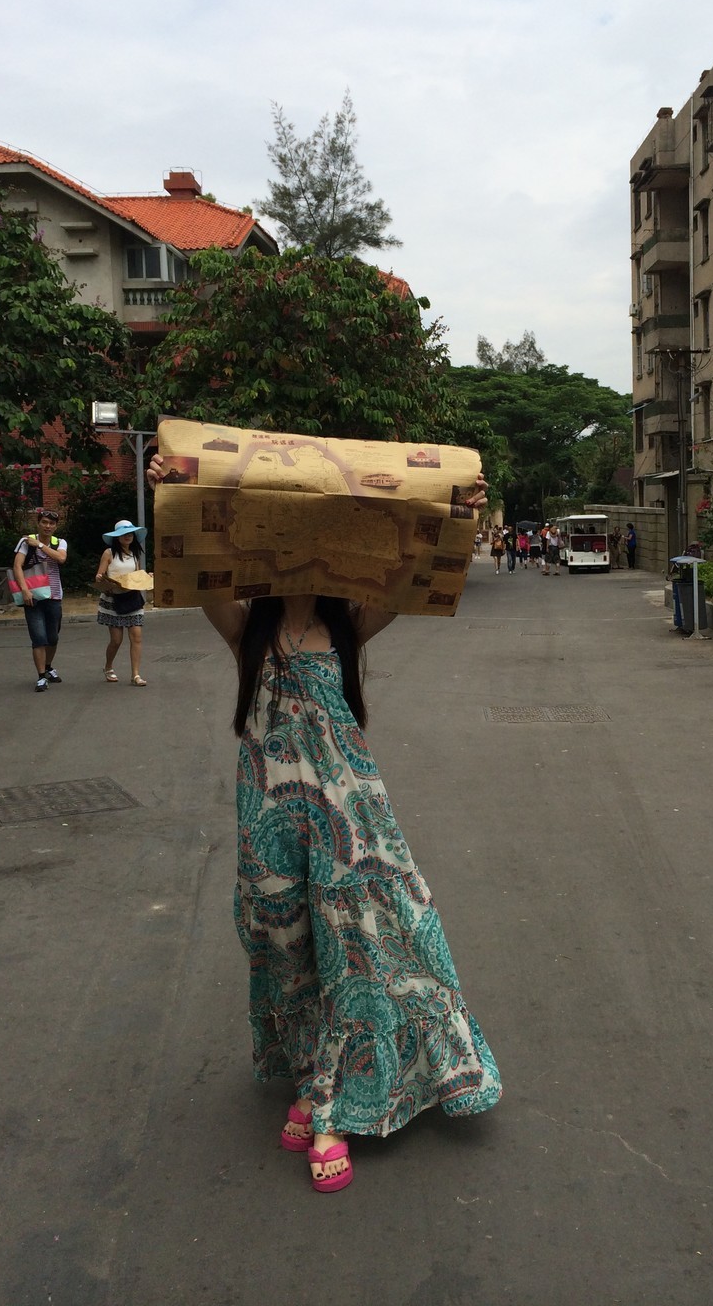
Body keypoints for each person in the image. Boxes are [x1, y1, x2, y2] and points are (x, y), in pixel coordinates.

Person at [145, 454, 502, 1193]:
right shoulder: (245, 626)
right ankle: (311, 1078)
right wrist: (168, 496)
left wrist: (459, 514)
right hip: (268, 806)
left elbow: (415, 574)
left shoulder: (351, 626)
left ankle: (335, 1104)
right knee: (283, 941)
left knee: (356, 940)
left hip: (349, 811)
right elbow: (191, 562)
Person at [12, 507, 68, 693]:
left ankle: (49, 666)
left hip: (54, 596)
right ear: (38, 523)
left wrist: (41, 546)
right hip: (33, 596)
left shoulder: (59, 542)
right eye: (44, 522)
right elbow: (17, 566)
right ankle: (41, 676)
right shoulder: (26, 541)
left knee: (53, 637)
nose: (47, 526)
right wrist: (25, 590)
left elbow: (61, 559)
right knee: (38, 638)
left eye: (51, 523)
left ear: (55, 526)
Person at [95, 519, 149, 686]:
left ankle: (136, 675)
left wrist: (147, 577)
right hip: (113, 599)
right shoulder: (108, 553)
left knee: (137, 637)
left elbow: (137, 575)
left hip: (132, 598)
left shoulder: (135, 554)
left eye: (130, 533)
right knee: (116, 640)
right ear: (116, 537)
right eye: (123, 534)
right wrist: (102, 580)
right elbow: (99, 576)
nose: (127, 536)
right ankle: (108, 667)